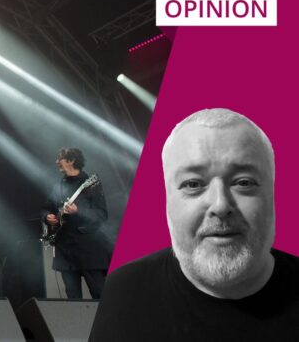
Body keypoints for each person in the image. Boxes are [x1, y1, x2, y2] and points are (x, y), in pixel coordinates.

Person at [90, 108, 299, 341]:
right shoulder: (122, 294)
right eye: (193, 184)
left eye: (243, 182)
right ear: (167, 198)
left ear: (273, 193)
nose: (220, 205)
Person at [41, 147, 111, 299]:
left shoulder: (91, 184)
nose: (56, 162)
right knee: (72, 299)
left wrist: (78, 211)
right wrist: (48, 217)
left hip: (89, 250)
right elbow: (46, 208)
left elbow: (101, 214)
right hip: (66, 251)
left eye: (60, 158)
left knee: (99, 295)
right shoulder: (58, 186)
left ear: (71, 160)